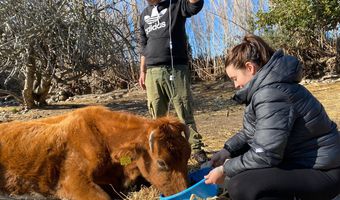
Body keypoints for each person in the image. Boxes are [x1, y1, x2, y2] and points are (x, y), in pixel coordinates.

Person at [204, 34, 340, 200]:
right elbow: (254, 132)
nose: (236, 85)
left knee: (242, 186)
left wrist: (225, 169)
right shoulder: (267, 88)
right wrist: (227, 150)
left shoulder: (272, 93)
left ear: (250, 67)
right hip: (301, 161)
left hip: (323, 170)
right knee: (242, 174)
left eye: (235, 78)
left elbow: (265, 154)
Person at [139, 0, 208, 163]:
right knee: (156, 115)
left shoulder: (176, 5)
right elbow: (143, 45)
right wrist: (142, 70)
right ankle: (161, 151)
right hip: (152, 72)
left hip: (176, 68)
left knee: (184, 110)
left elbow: (194, 5)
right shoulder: (144, 15)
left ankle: (196, 149)